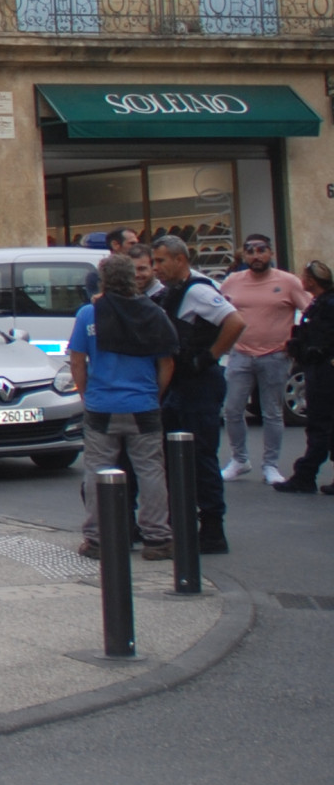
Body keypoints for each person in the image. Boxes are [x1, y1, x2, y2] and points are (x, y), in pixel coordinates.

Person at [68, 253, 175, 560]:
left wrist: (88, 394)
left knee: (97, 470)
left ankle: (98, 538)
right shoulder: (153, 313)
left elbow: (77, 361)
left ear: (103, 280)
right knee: (150, 471)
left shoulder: (89, 314)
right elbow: (166, 362)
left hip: (102, 404)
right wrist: (154, 394)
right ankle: (157, 538)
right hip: (142, 404)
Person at [149, 235, 242, 554]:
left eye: (161, 261)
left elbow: (235, 321)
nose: (156, 267)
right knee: (174, 456)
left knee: (201, 456)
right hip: (181, 384)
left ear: (179, 259)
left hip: (200, 384)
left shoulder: (199, 290)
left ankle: (213, 529)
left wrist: (210, 356)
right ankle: (180, 523)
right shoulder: (172, 292)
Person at [219, 233, 310, 483]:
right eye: (250, 251)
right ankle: (239, 460)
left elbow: (310, 312)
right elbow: (217, 311)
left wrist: (297, 343)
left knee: (272, 412)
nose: (256, 256)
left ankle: (270, 465)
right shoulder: (232, 281)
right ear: (243, 255)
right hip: (241, 354)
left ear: (270, 253)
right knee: (232, 409)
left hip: (275, 355)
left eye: (261, 250)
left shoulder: (288, 282)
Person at [275, 261, 334, 495]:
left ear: (311, 280)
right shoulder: (320, 303)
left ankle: (305, 475)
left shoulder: (326, 305)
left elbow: (320, 342)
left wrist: (303, 349)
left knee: (320, 423)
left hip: (324, 371)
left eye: (304, 275)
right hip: (320, 369)